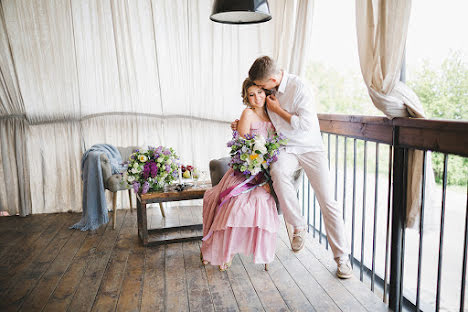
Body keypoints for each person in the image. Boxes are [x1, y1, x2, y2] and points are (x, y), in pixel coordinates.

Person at [232, 56, 352, 279]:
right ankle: (298, 225)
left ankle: (342, 259)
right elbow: (258, 115)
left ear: (272, 78)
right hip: (286, 148)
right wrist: (239, 125)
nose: (262, 90)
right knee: (277, 172)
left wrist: (278, 111)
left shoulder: (299, 87)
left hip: (310, 148)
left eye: (262, 86)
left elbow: (304, 125)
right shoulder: (270, 89)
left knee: (328, 201)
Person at [200, 78, 280, 271]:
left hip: (267, 172)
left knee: (261, 201)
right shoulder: (248, 114)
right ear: (246, 98)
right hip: (245, 172)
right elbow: (241, 148)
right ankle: (227, 252)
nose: (256, 98)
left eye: (260, 93)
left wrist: (267, 176)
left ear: (266, 92)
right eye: (251, 95)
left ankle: (260, 251)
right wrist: (253, 168)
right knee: (236, 204)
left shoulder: (274, 114)